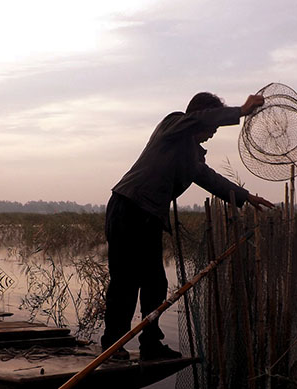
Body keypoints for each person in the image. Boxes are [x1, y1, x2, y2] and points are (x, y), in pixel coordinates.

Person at [100, 91, 275, 361]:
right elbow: (198, 120)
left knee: (155, 283)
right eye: (213, 126)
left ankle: (150, 344)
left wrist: (246, 196)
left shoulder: (191, 155)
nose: (213, 132)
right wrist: (241, 110)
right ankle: (112, 346)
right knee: (125, 281)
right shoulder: (173, 125)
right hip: (129, 208)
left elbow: (211, 179)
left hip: (149, 216)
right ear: (200, 118)